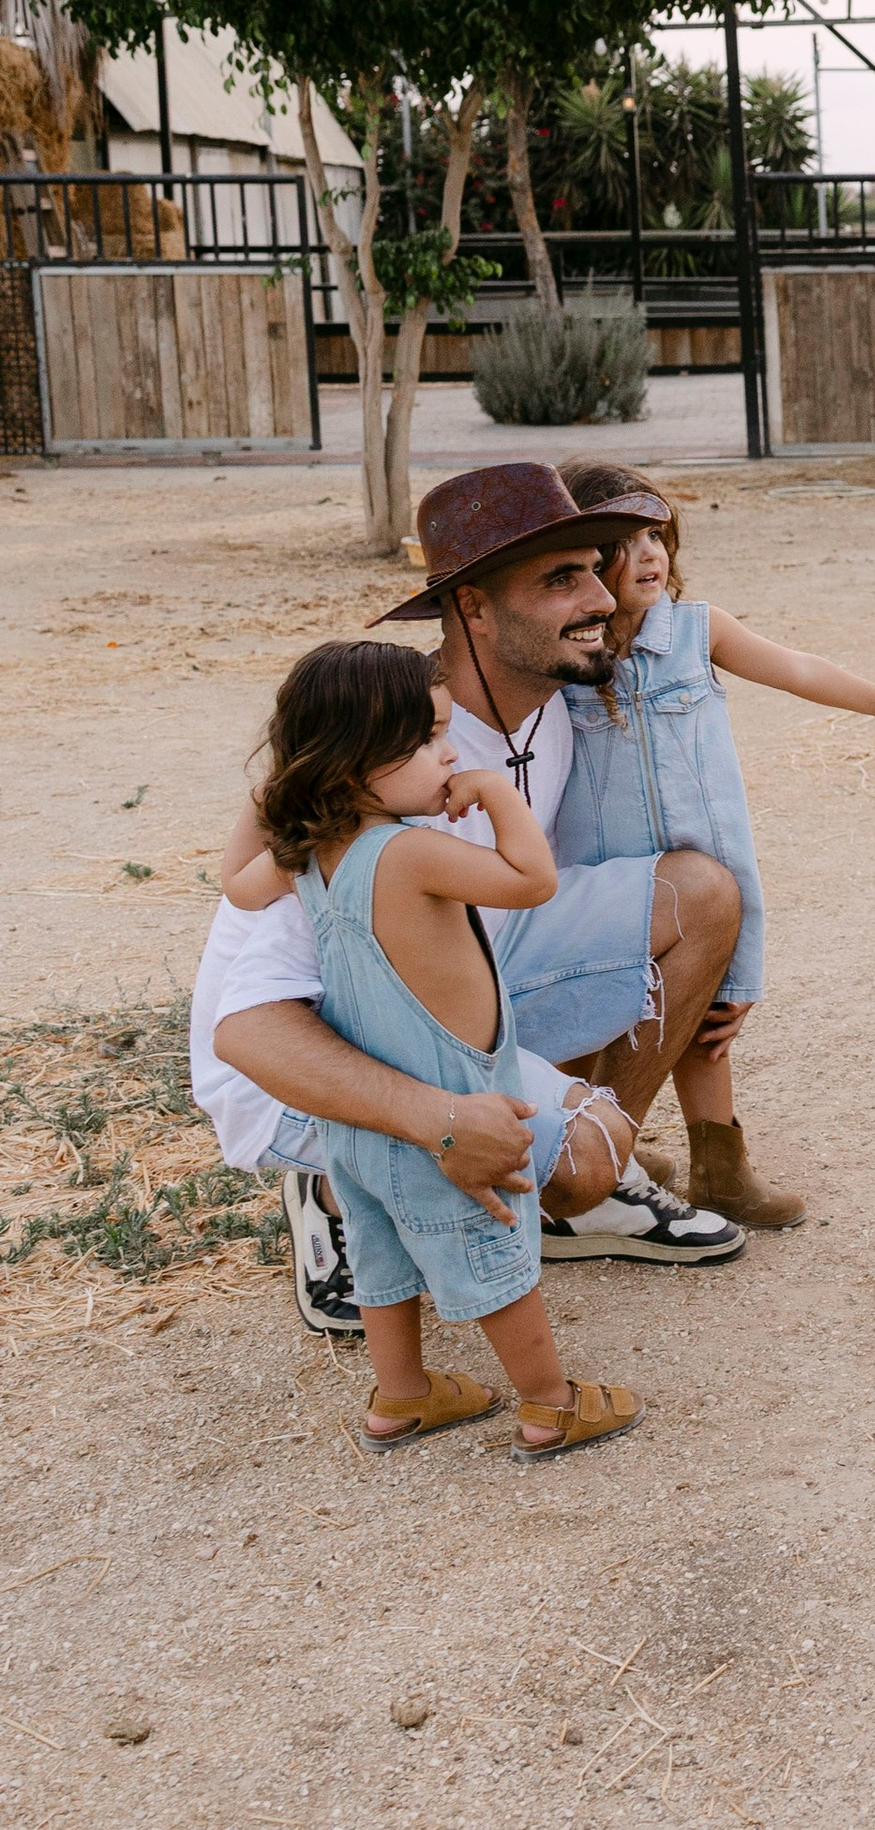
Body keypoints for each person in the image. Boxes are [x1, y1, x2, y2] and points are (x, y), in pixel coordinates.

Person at [202, 464, 753, 1318]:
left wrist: (719, 985)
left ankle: (585, 1182)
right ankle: (336, 1189)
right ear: (474, 609)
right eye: (560, 579)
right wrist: (440, 1120)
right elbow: (250, 1031)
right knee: (569, 1157)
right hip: (321, 1049)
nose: (602, 596)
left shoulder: (560, 698)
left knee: (703, 896)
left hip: (464, 975)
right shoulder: (384, 763)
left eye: (596, 567)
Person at [244, 639, 639, 1458]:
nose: (450, 752)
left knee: (381, 1253)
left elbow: (232, 881)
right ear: (354, 759)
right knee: (494, 1254)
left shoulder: (307, 857)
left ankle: (404, 1394)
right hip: (450, 1104)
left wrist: (279, 783)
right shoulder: (409, 850)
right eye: (426, 738)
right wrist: (497, 792)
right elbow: (532, 880)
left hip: (364, 1122)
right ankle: (550, 1404)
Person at [552, 462, 875, 1227]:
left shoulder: (697, 630)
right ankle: (598, 1148)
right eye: (625, 543)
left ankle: (721, 1171)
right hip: (610, 878)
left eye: (656, 535)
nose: (651, 554)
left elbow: (794, 667)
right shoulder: (569, 655)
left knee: (704, 1022)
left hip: (709, 867)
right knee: (594, 1018)